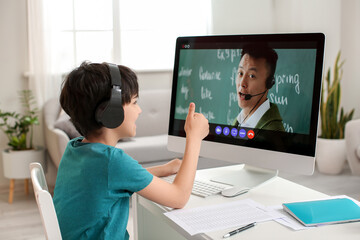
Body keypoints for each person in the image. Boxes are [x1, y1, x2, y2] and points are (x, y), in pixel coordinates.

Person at [53, 62, 209, 240]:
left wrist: (163, 169)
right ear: (110, 112)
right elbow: (179, 197)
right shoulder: (112, 161)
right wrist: (194, 138)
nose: (139, 110)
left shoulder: (75, 149)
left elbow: (112, 181)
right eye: (134, 102)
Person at [232, 44, 285, 131]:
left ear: (269, 83)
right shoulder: (240, 121)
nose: (242, 83)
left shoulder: (273, 134)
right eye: (240, 73)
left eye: (251, 76)